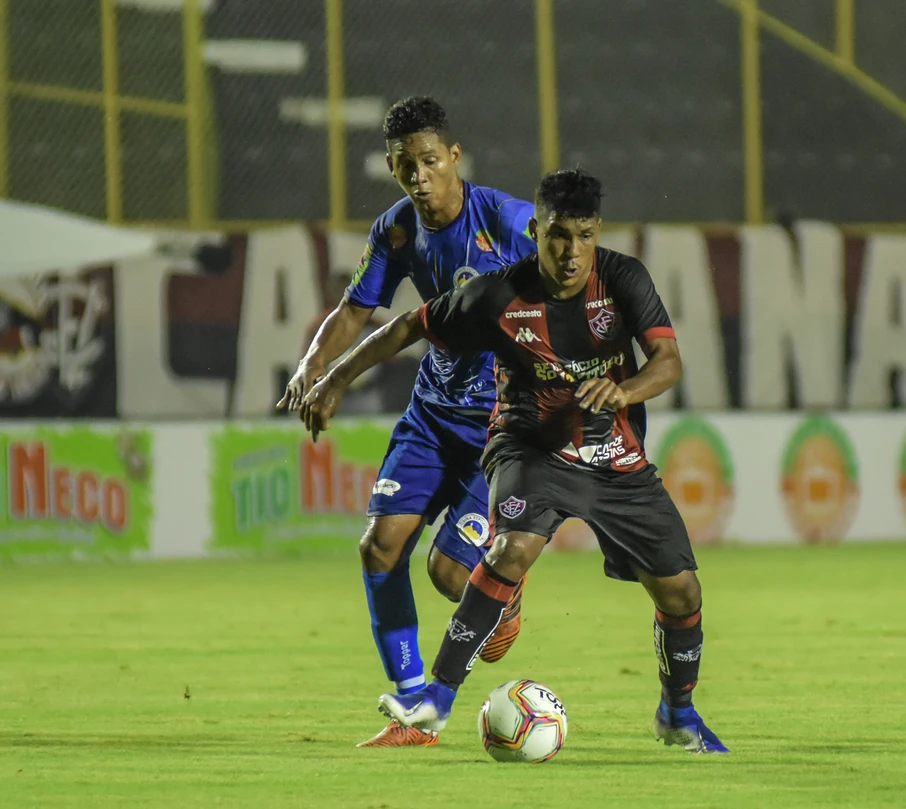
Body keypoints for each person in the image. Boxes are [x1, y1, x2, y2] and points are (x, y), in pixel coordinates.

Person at [301, 168, 729, 754]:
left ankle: (677, 713)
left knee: (681, 593)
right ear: (535, 230)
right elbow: (407, 326)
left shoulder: (624, 278)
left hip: (613, 455)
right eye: (557, 234)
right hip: (528, 447)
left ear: (597, 231)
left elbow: (668, 361)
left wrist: (624, 392)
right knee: (511, 548)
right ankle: (437, 697)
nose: (570, 251)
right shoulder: (498, 295)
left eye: (582, 235)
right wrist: (333, 377)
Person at [277, 97, 536, 748]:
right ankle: (413, 712)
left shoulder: (510, 222)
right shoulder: (397, 230)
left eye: (428, 161)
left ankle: (502, 582)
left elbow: (577, 287)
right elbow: (356, 309)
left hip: (501, 429)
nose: (418, 177)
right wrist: (312, 367)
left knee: (449, 574)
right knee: (379, 546)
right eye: (403, 166)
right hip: (433, 414)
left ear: (454, 157)